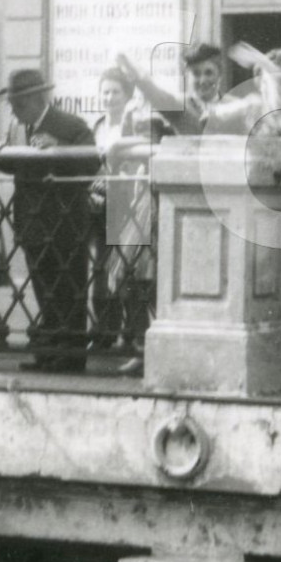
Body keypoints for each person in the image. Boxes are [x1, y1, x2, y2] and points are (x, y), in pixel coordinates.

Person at [2, 69, 98, 374]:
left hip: (65, 223)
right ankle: (49, 352)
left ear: (35, 98)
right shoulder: (17, 128)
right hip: (32, 223)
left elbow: (92, 161)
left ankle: (70, 356)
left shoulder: (70, 125)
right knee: (45, 289)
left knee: (69, 288)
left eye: (18, 103)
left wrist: (57, 147)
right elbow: (9, 164)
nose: (14, 110)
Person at [90, 67, 156, 372]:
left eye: (115, 91)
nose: (109, 97)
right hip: (103, 202)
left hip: (130, 201)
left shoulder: (132, 124)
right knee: (104, 268)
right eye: (105, 91)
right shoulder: (99, 125)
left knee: (132, 271)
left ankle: (134, 337)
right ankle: (106, 331)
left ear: (128, 96)